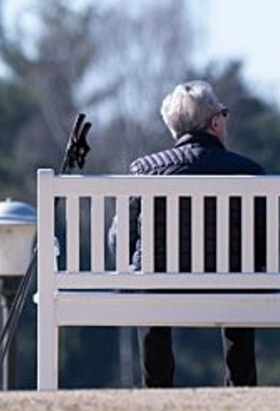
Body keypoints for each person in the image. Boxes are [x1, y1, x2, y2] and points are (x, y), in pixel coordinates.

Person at [109, 80, 265, 388]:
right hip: (232, 286)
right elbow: (265, 243)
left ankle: (157, 387)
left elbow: (120, 240)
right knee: (245, 277)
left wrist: (133, 265)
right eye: (224, 114)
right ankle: (241, 386)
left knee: (147, 279)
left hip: (157, 287)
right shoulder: (247, 171)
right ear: (215, 122)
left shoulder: (144, 169)